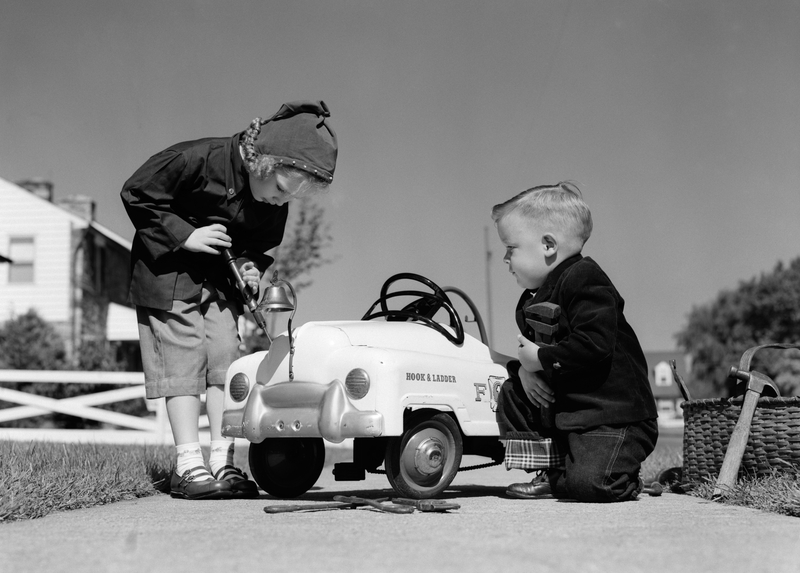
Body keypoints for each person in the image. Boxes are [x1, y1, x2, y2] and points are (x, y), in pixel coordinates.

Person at [121, 100, 337, 499]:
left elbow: (261, 245)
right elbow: (137, 193)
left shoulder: (273, 200)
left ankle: (224, 462)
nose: (278, 202)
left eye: (288, 199)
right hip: (167, 273)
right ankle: (188, 466)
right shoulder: (196, 159)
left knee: (226, 357)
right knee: (183, 357)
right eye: (278, 190)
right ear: (261, 162)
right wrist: (186, 235)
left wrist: (252, 267)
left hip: (219, 281)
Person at [492, 181, 658, 502]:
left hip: (612, 417)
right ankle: (550, 470)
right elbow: (533, 358)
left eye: (511, 248)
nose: (505, 258)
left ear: (548, 245)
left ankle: (621, 477)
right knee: (513, 390)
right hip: (570, 415)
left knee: (590, 486)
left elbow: (594, 345)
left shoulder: (584, 278)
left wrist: (539, 359)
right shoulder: (529, 302)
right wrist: (527, 372)